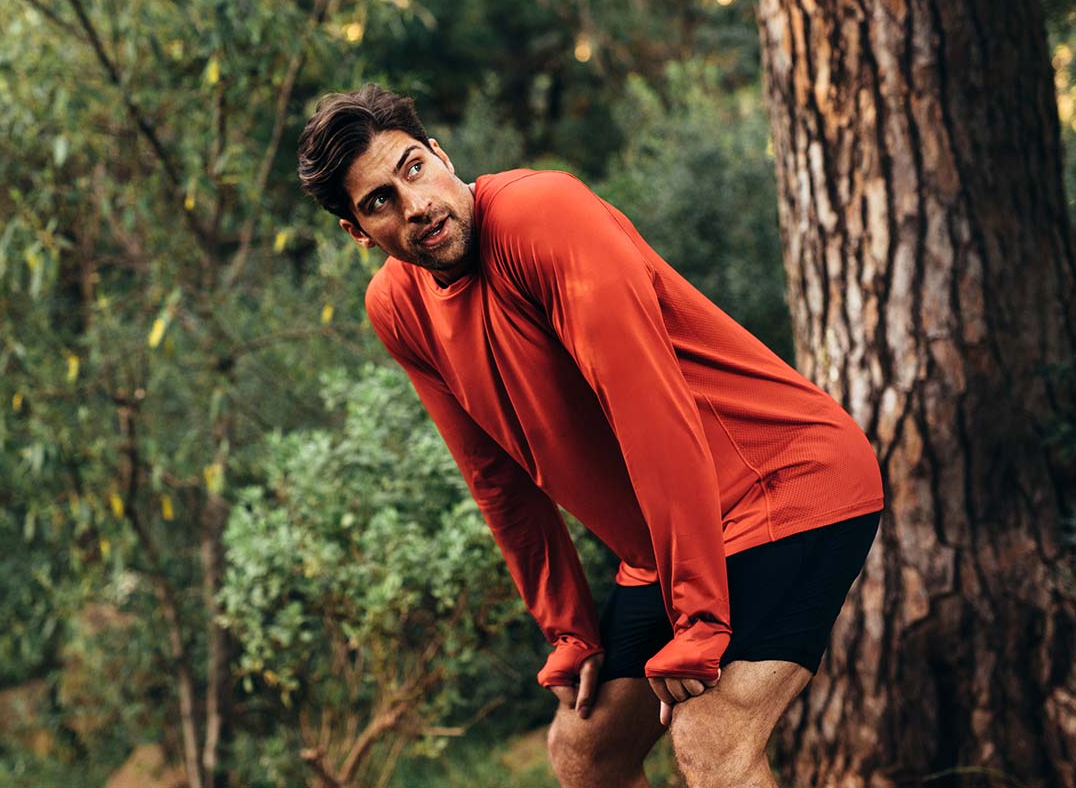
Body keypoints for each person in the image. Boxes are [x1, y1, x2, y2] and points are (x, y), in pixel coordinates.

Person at [297, 83, 884, 788]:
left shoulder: (544, 215)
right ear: (359, 233)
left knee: (711, 737)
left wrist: (699, 619)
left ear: (441, 155)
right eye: (380, 201)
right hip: (666, 545)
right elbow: (494, 477)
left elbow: (649, 410)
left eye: (414, 167)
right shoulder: (398, 308)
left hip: (785, 482)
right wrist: (568, 628)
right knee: (586, 749)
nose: (416, 204)